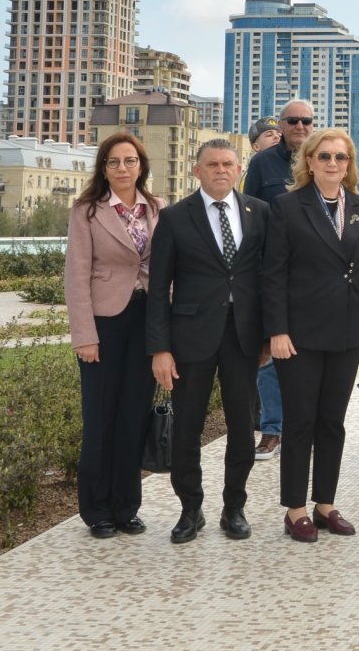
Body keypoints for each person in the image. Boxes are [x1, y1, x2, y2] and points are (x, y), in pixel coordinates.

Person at [262, 127, 359, 542]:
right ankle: (296, 509)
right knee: (300, 422)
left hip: (347, 332)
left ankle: (325, 503)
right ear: (309, 162)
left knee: (332, 422)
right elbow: (273, 273)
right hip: (299, 334)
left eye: (341, 157)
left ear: (349, 165)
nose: (334, 164)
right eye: (325, 156)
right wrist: (276, 329)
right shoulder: (287, 207)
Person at [147, 139, 268, 543]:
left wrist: (267, 336)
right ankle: (190, 509)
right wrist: (160, 349)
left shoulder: (259, 213)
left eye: (228, 164)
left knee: (241, 427)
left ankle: (234, 508)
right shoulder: (176, 217)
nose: (221, 170)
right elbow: (159, 286)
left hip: (243, 337)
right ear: (197, 171)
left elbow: (268, 280)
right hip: (189, 339)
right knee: (187, 430)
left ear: (239, 170)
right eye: (212, 164)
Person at [65, 132, 163, 539]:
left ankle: (127, 507)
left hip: (145, 321)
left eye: (130, 161)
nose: (122, 169)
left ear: (141, 165)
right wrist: (84, 335)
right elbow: (75, 276)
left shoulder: (156, 209)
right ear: (103, 169)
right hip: (104, 324)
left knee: (133, 417)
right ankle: (97, 509)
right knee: (101, 417)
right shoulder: (87, 211)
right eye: (113, 162)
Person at [244, 98, 317, 462]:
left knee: (312, 355)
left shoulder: (323, 159)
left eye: (306, 121)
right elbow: (248, 214)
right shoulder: (261, 163)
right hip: (271, 272)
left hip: (313, 276)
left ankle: (306, 428)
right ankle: (272, 431)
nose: (300, 127)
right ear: (284, 125)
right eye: (293, 121)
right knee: (272, 354)